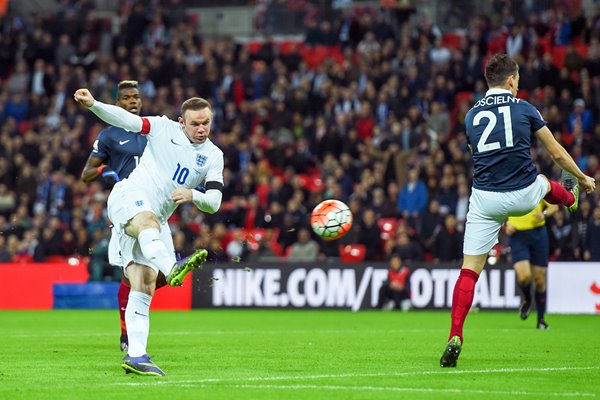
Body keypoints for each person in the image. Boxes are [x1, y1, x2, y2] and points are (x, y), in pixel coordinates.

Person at [439, 54, 596, 368]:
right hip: (523, 194)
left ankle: (455, 335)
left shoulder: (470, 116)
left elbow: (476, 153)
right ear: (511, 80)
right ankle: (572, 199)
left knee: (469, 271)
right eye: (519, 78)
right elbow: (556, 152)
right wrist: (582, 177)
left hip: (485, 200)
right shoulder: (525, 108)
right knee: (548, 184)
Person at [74, 88, 224, 376]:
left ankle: (136, 355)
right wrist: (93, 104)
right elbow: (123, 119)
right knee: (148, 223)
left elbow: (215, 203)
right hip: (129, 195)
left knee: (144, 284)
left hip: (158, 217)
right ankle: (172, 266)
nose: (201, 129)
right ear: (182, 122)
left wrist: (194, 195)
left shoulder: (214, 156)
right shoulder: (161, 127)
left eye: (206, 123)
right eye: (195, 124)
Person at [80, 80, 150, 353]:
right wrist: (105, 170)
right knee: (129, 272)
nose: (133, 101)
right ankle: (126, 335)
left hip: (154, 205)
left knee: (146, 274)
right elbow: (86, 174)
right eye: (127, 98)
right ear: (118, 104)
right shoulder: (109, 136)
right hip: (125, 205)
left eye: (136, 97)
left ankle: (131, 333)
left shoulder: (151, 130)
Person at [506, 200, 558, 330]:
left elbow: (554, 207)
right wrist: (504, 223)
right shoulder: (509, 182)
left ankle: (540, 320)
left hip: (538, 234)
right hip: (517, 234)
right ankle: (528, 299)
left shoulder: (539, 181)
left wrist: (544, 214)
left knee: (539, 279)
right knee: (524, 276)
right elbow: (497, 207)